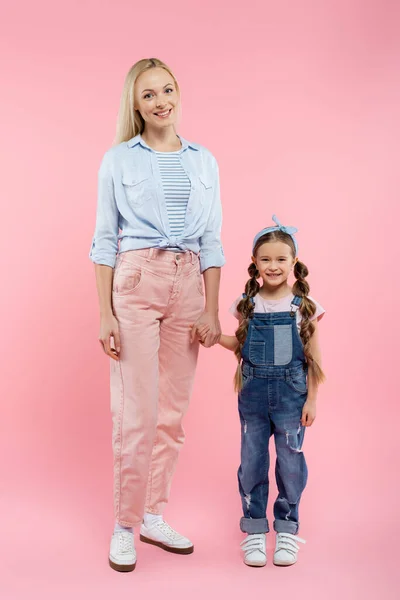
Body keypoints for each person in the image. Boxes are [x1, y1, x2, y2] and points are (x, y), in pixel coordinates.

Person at [89, 58, 224, 572]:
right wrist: (105, 314)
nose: (161, 100)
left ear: (178, 94)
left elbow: (212, 241)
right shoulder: (118, 160)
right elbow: (104, 242)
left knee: (172, 413)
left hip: (188, 285)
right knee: (136, 411)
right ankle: (124, 525)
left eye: (167, 89)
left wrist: (211, 307)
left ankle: (152, 514)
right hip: (137, 282)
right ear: (136, 105)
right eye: (148, 94)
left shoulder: (204, 161)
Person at [196, 215, 325, 567]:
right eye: (265, 259)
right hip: (252, 397)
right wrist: (211, 337)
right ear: (255, 263)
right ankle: (254, 530)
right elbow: (241, 348)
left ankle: (286, 528)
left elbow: (313, 358)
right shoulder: (247, 305)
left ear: (293, 263)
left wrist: (312, 399)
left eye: (281, 259)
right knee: (252, 463)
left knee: (290, 463)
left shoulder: (303, 307)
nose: (273, 266)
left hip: (291, 398)